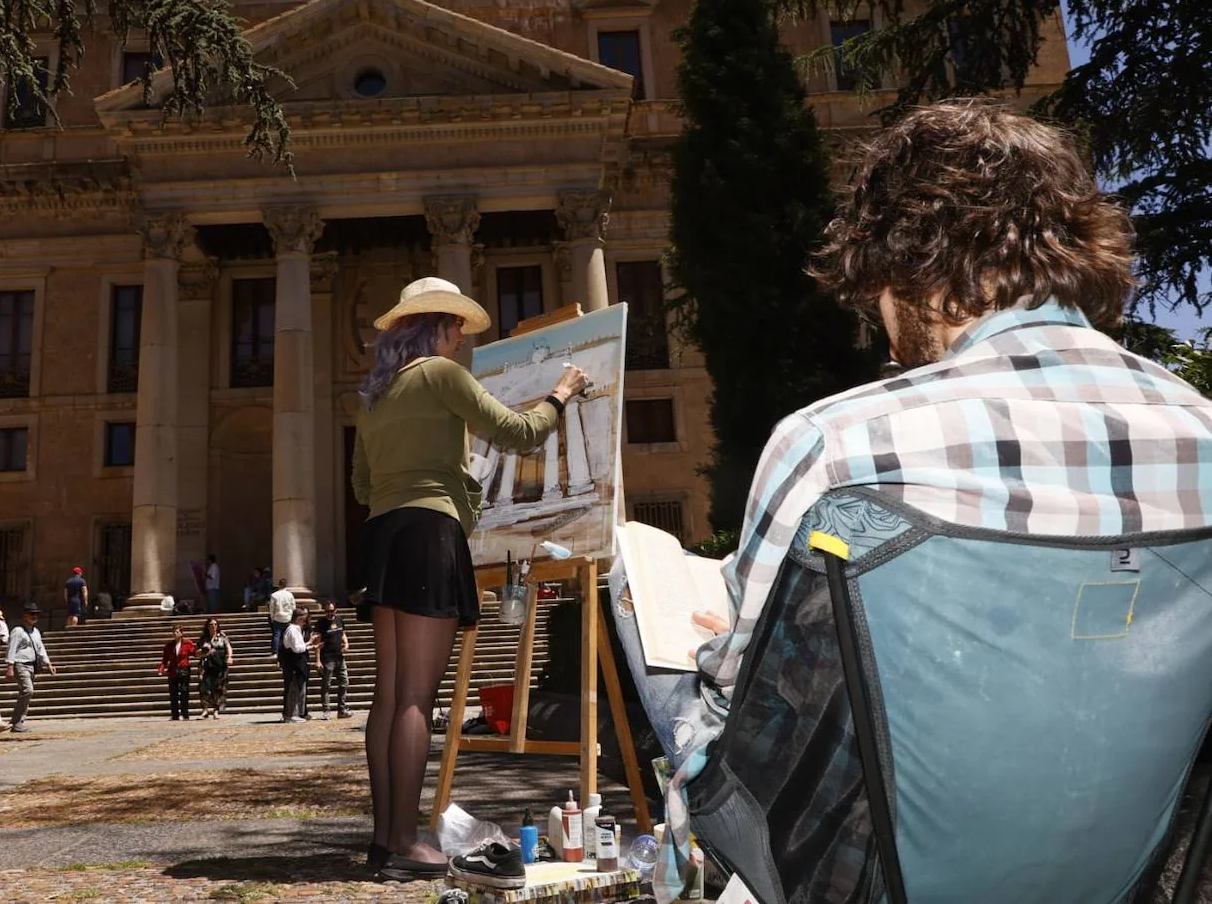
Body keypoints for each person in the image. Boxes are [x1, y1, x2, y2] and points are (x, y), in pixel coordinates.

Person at [618, 100, 1212, 902]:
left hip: (879, 879)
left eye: (879, 304)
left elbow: (745, 714)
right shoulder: (1201, 428)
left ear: (910, 269)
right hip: (1119, 873)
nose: (887, 339)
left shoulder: (836, 442)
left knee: (636, 575)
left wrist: (724, 643)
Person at [351, 276, 590, 880]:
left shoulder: (375, 395)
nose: (462, 337)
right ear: (435, 325)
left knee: (388, 695)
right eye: (456, 325)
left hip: (383, 536)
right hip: (429, 533)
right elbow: (519, 431)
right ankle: (406, 844)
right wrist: (561, 393)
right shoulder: (442, 375)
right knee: (414, 698)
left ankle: (383, 841)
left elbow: (360, 485)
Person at [4, 602, 56, 733]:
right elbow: (12, 648)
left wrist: (48, 663)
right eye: (32, 614)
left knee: (26, 693)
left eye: (37, 614)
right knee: (28, 690)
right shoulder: (18, 631)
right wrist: (9, 666)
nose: (35, 617)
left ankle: (19, 722)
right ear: (25, 615)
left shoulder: (36, 632)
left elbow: (40, 648)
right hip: (20, 664)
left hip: (32, 665)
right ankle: (15, 721)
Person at [278, 607, 317, 723]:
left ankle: (298, 712)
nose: (305, 621)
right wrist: (310, 643)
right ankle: (291, 715)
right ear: (299, 618)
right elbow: (297, 648)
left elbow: (300, 646)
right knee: (293, 689)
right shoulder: (292, 630)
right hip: (293, 663)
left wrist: (311, 645)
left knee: (298, 688)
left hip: (298, 663)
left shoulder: (296, 629)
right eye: (304, 619)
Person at [314, 600, 351, 719]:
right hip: (327, 658)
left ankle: (341, 709)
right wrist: (318, 660)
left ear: (336, 610)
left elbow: (342, 633)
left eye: (331, 611)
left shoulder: (339, 620)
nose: (329, 613)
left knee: (344, 682)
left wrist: (346, 643)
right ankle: (326, 710)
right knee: (326, 685)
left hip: (339, 657)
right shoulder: (321, 623)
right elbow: (317, 642)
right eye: (327, 611)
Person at [195, 616, 234, 719]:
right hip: (206, 665)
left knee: (219, 688)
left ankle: (216, 711)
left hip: (219, 665)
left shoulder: (222, 636)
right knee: (204, 688)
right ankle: (205, 710)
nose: (213, 626)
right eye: (211, 624)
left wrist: (230, 657)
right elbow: (197, 653)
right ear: (207, 626)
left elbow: (228, 647)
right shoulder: (204, 638)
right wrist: (204, 652)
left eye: (215, 624)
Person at [158, 624, 196, 721]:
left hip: (184, 670)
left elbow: (194, 653)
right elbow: (165, 660)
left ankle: (185, 714)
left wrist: (202, 652)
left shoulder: (187, 643)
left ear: (181, 633)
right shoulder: (169, 646)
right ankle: (175, 715)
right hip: (173, 671)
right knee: (173, 694)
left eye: (177, 632)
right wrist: (161, 669)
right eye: (174, 632)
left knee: (184, 693)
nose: (175, 633)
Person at [268, 577, 297, 659]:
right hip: (288, 617)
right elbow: (293, 606)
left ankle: (275, 652)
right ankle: (290, 650)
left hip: (278, 617)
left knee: (276, 635)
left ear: (279, 585)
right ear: (286, 585)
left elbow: (272, 608)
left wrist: (272, 617)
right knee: (288, 635)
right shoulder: (290, 594)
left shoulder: (274, 595)